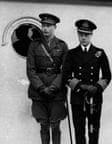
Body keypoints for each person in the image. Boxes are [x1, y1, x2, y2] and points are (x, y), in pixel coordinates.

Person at [62, 19, 111, 144]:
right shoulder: (71, 54)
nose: (83, 37)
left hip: (94, 97)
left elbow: (107, 75)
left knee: (94, 130)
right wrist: (81, 85)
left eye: (86, 35)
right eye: (81, 34)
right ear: (78, 34)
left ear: (91, 35)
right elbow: (66, 75)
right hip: (78, 98)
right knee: (79, 130)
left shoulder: (99, 53)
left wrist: (97, 87)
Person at [26, 13, 68, 144]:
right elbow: (30, 70)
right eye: (43, 25)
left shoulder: (62, 45)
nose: (45, 28)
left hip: (57, 92)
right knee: (43, 125)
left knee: (55, 125)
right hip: (39, 92)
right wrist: (41, 87)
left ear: (54, 27)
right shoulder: (34, 45)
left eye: (48, 25)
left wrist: (54, 87)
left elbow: (65, 70)